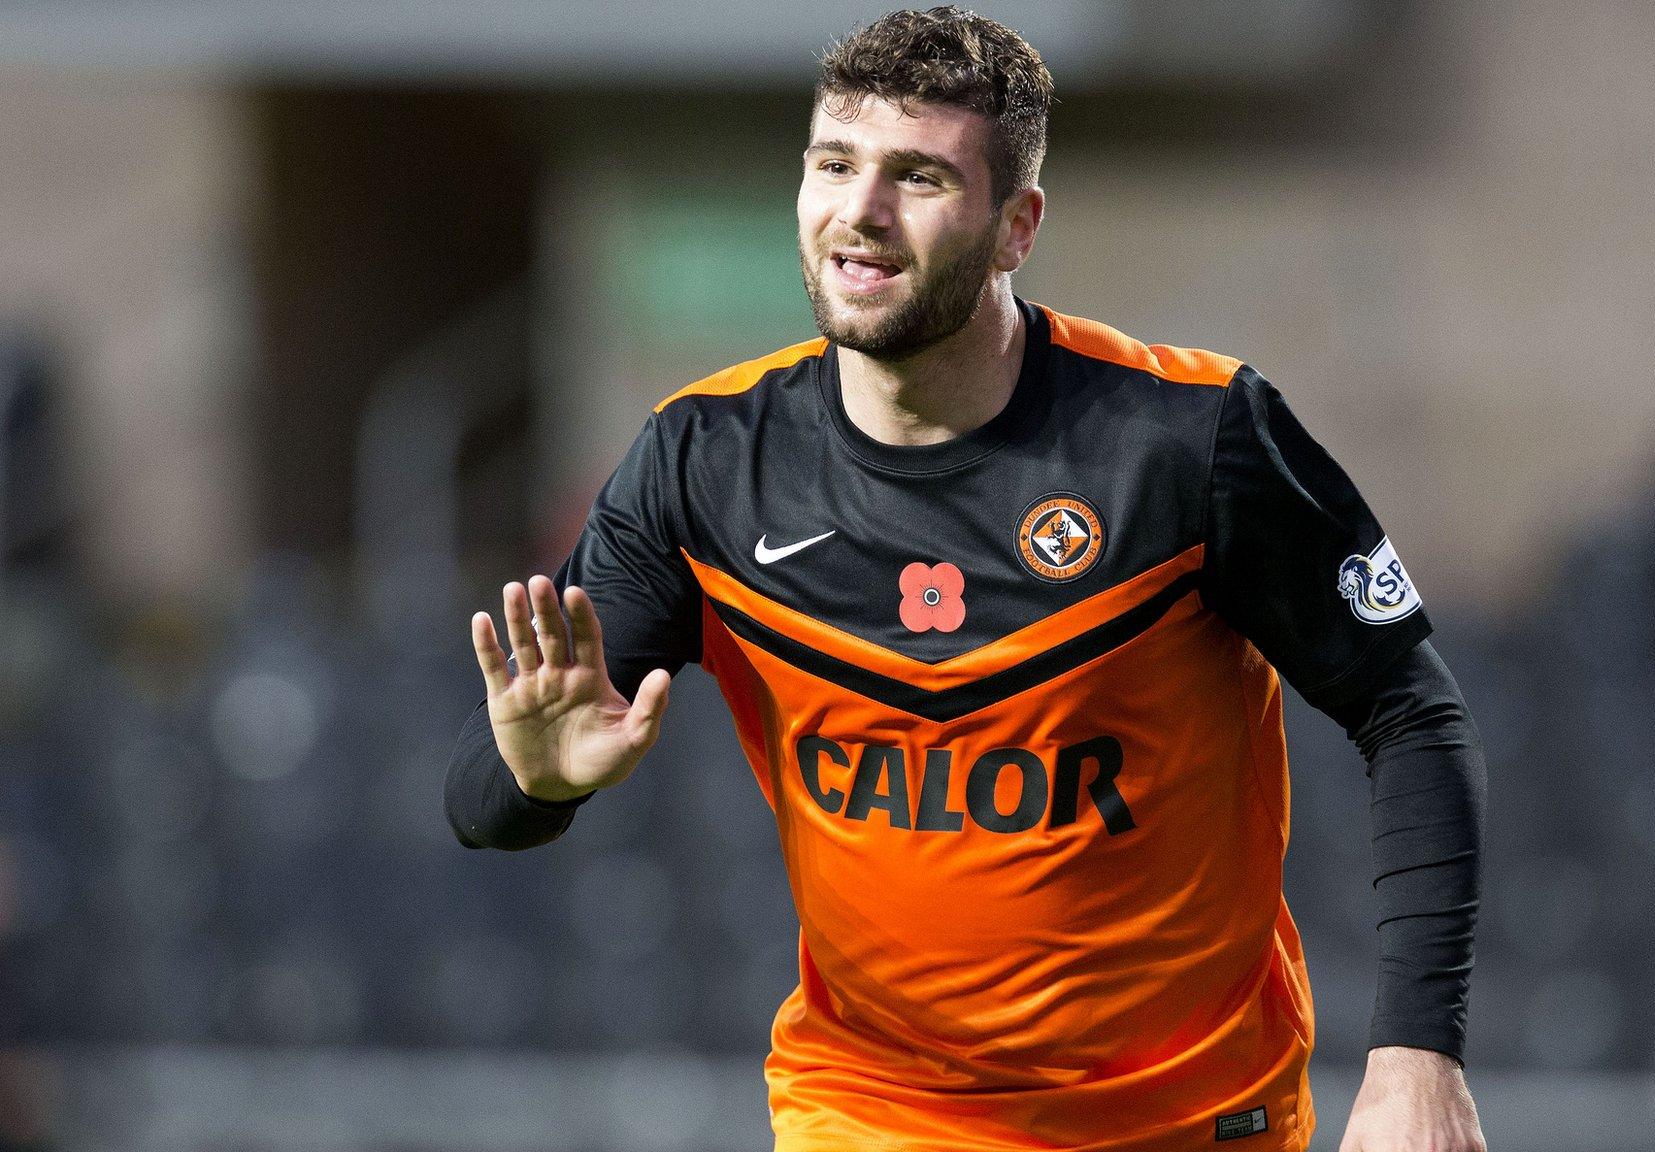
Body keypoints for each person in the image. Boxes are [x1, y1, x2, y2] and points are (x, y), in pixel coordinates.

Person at [446, 8, 1487, 1150]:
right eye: (833, 164)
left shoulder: (1188, 440)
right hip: (872, 1116)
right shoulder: (703, 462)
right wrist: (534, 780)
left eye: (919, 177)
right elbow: (483, 806)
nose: (861, 211)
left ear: (1013, 227)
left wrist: (1413, 1063)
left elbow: (1410, 712)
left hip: (1190, 1118)